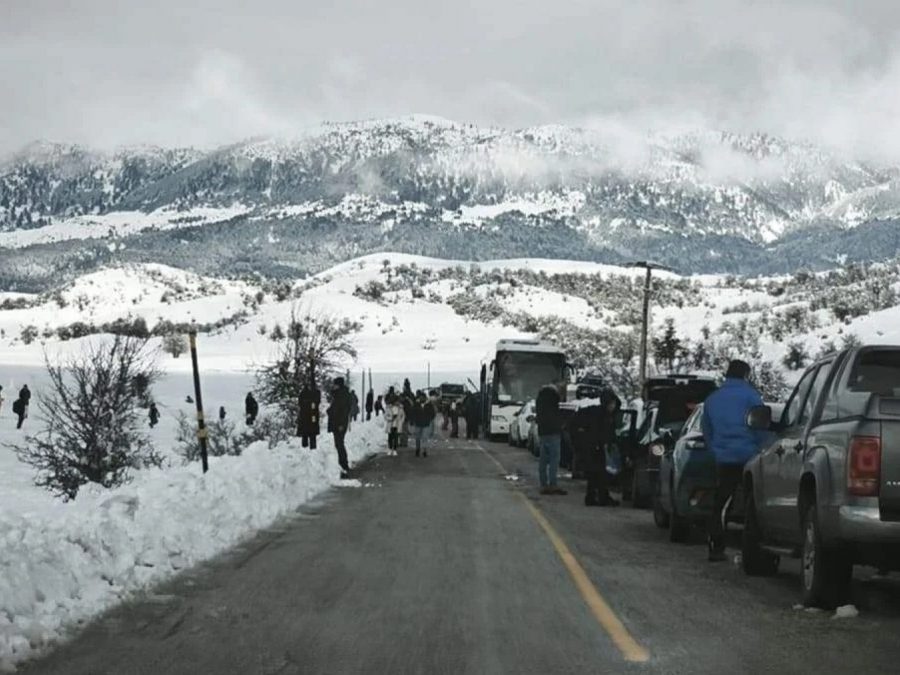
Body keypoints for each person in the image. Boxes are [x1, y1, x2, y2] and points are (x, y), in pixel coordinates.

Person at [701, 359, 764, 562]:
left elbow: (706, 429)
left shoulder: (713, 399)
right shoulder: (752, 397)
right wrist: (759, 448)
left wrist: (716, 449)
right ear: (746, 375)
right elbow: (761, 425)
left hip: (724, 457)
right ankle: (750, 550)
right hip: (749, 456)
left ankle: (716, 546)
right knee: (751, 505)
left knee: (722, 501)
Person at [572, 389, 621, 507]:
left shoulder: (608, 416)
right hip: (594, 447)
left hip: (598, 447)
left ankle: (595, 497)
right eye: (611, 404)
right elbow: (597, 431)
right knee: (596, 473)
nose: (613, 406)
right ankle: (597, 497)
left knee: (597, 474)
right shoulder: (597, 414)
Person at [535, 382, 567, 495]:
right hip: (554, 432)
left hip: (543, 432)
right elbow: (559, 411)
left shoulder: (540, 398)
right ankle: (553, 484)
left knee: (543, 459)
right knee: (554, 459)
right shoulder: (554, 397)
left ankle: (543, 484)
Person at [327, 377, 353, 478]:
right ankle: (343, 464)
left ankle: (343, 465)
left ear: (338, 385)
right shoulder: (341, 394)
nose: (333, 386)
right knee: (339, 444)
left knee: (339, 444)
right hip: (339, 423)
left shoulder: (341, 395)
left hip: (339, 424)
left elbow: (343, 411)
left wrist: (341, 424)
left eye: (335, 384)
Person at [412, 390, 436, 457]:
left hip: (426, 423)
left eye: (423, 397)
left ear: (425, 398)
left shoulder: (429, 405)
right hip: (418, 423)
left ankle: (424, 451)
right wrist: (413, 420)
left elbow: (433, 413)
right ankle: (417, 449)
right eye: (420, 397)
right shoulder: (416, 404)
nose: (421, 398)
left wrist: (429, 419)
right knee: (417, 437)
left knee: (425, 438)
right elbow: (413, 412)